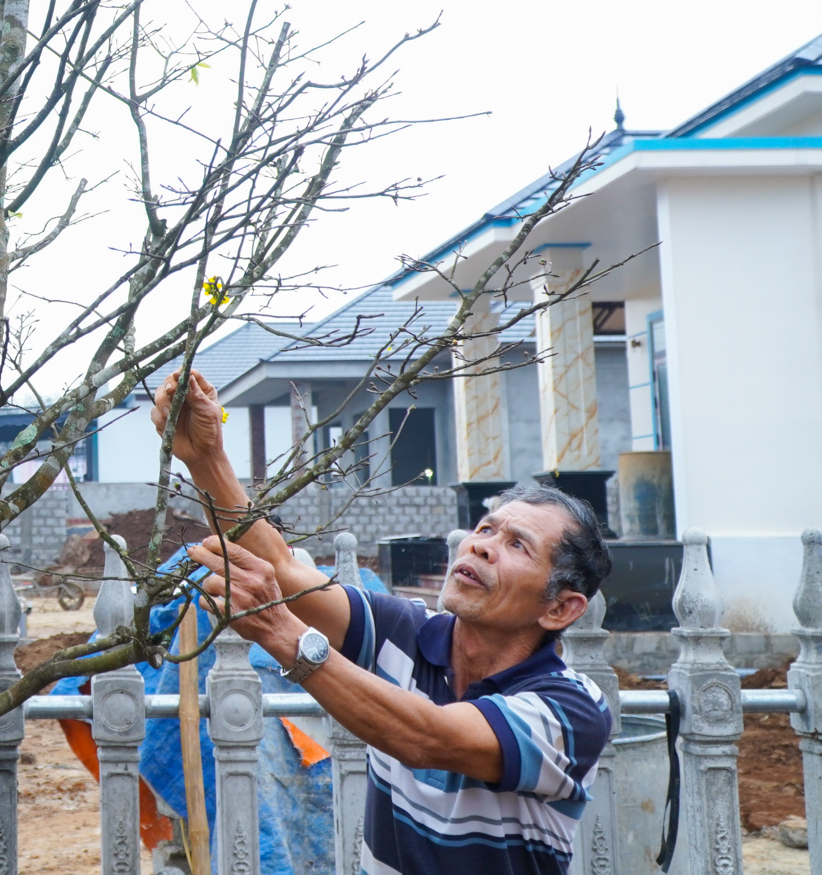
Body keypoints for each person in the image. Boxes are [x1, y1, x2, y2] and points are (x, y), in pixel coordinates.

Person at [155, 370, 613, 875]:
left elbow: (428, 739)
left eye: (516, 544)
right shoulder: (409, 632)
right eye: (485, 529)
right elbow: (288, 573)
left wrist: (285, 636)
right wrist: (204, 457)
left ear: (560, 608)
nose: (480, 544)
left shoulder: (571, 708)